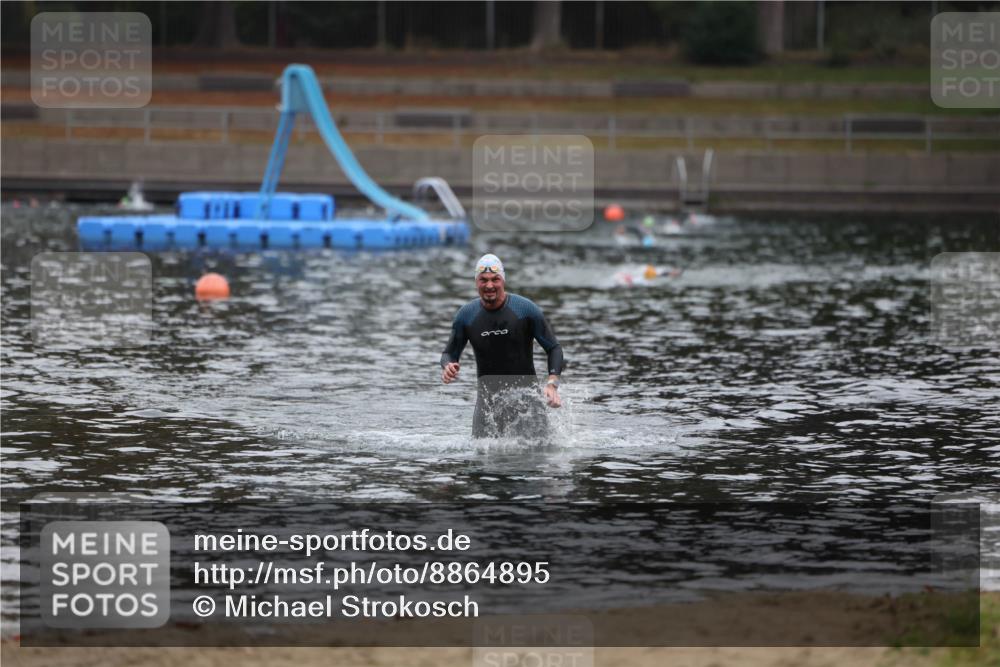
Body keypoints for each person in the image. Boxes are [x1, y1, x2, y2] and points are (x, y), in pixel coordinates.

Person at [441, 254, 565, 439]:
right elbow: (450, 353)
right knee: (483, 460)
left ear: (503, 281)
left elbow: (553, 348)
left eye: (495, 279)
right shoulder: (466, 315)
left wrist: (552, 384)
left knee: (538, 458)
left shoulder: (525, 310)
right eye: (483, 280)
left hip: (527, 401)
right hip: (488, 405)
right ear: (476, 282)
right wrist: (448, 366)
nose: (489, 285)